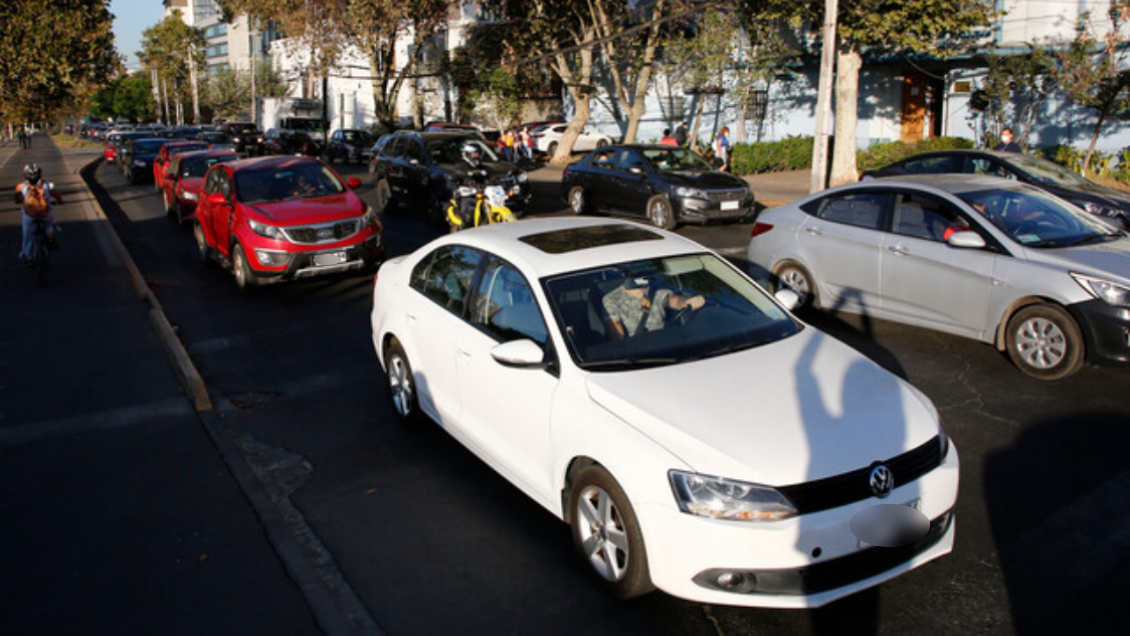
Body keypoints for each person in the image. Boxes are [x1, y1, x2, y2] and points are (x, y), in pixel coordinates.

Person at [602, 276, 705, 340]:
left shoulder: (655, 290)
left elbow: (674, 300)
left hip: (665, 342)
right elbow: (616, 331)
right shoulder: (612, 298)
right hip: (637, 348)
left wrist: (689, 301)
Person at [14, 163, 63, 269]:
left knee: (28, 235)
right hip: (45, 213)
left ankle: (29, 259)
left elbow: (16, 195)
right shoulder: (46, 185)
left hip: (29, 216)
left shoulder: (21, 186)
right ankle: (50, 239)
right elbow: (57, 196)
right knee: (49, 224)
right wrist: (60, 201)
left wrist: (18, 200)